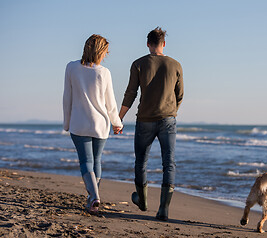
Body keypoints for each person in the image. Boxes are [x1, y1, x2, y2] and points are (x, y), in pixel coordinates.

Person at [119, 27, 184, 221]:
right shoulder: (175, 65)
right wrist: (171, 112)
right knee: (168, 163)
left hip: (145, 120)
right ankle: (163, 209)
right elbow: (179, 95)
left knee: (141, 161)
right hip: (168, 120)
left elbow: (131, 93)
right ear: (164, 44)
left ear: (148, 43)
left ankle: (143, 200)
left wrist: (119, 117)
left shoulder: (138, 64)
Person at [63, 34, 123, 214]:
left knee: (86, 161)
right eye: (105, 52)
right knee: (96, 160)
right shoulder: (104, 72)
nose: (106, 55)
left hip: (79, 123)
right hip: (100, 124)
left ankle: (94, 197)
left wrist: (66, 123)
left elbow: (67, 98)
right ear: (99, 51)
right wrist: (116, 122)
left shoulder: (71, 67)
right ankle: (93, 197)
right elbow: (110, 102)